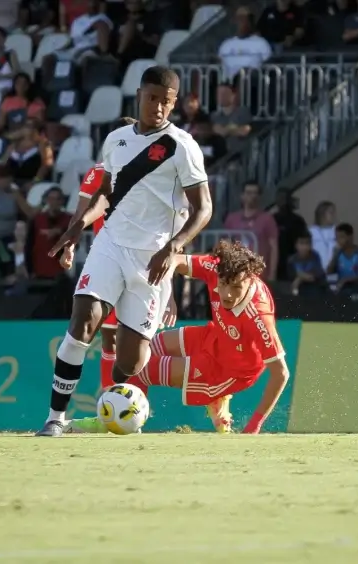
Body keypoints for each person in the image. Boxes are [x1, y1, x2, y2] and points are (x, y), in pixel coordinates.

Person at [40, 66, 212, 437]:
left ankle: (113, 410)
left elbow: (204, 209)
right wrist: (76, 228)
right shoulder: (116, 140)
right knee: (83, 320)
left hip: (153, 260)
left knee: (130, 362)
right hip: (112, 245)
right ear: (139, 94)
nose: (159, 108)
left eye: (167, 102)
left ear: (175, 102)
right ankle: (55, 419)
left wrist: (174, 248)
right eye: (153, 99)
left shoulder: (182, 147)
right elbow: (105, 193)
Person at [69, 240, 291, 434]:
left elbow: (281, 373)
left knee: (141, 369)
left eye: (236, 287)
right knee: (139, 351)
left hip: (227, 371)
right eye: (223, 285)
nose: (227, 294)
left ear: (250, 280)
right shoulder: (215, 268)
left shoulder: (259, 316)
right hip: (214, 337)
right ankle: (214, 401)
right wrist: (169, 296)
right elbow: (173, 260)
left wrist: (254, 426)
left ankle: (113, 423)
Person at [62, 118, 146, 390]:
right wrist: (70, 244)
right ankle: (109, 405)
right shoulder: (98, 172)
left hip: (139, 262)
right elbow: (81, 213)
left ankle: (132, 405)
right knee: (108, 337)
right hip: (107, 261)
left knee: (135, 339)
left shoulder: (150, 173)